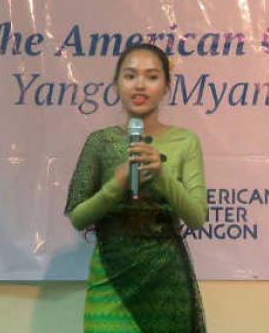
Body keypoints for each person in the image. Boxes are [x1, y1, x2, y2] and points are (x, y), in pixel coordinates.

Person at [64, 43, 208, 332]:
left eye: (152, 76)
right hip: (110, 275)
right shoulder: (100, 142)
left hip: (165, 279)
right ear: (116, 83)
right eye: (130, 76)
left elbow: (196, 217)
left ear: (166, 86)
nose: (140, 85)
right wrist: (116, 186)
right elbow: (78, 217)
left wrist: (162, 175)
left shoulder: (185, 141)